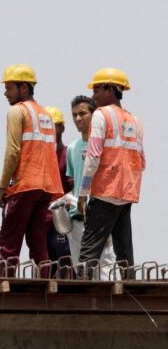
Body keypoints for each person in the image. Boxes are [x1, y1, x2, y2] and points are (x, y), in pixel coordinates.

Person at [0, 64, 63, 277]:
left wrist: (3, 187)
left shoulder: (17, 111)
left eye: (9, 88)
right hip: (45, 187)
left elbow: (13, 152)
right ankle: (46, 283)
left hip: (24, 185)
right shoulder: (46, 115)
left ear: (24, 88)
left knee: (9, 239)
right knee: (37, 239)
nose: (5, 93)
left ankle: (6, 282)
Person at [77, 68, 145, 279]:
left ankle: (80, 290)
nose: (94, 95)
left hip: (105, 189)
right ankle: (129, 285)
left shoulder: (101, 115)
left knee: (89, 249)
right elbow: (142, 161)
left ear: (111, 90)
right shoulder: (135, 120)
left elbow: (93, 156)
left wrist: (83, 193)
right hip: (127, 192)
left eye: (97, 89)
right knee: (124, 250)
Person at [65, 96, 115, 279]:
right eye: (74, 115)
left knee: (105, 267)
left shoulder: (106, 146)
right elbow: (75, 182)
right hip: (76, 218)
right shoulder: (72, 148)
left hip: (99, 215)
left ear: (94, 115)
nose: (78, 119)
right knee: (81, 270)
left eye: (82, 114)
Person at [43, 106, 72, 275]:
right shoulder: (40, 158)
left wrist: (59, 204)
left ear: (62, 128)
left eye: (53, 126)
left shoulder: (68, 155)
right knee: (44, 266)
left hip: (61, 221)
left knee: (65, 263)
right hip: (42, 221)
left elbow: (75, 189)